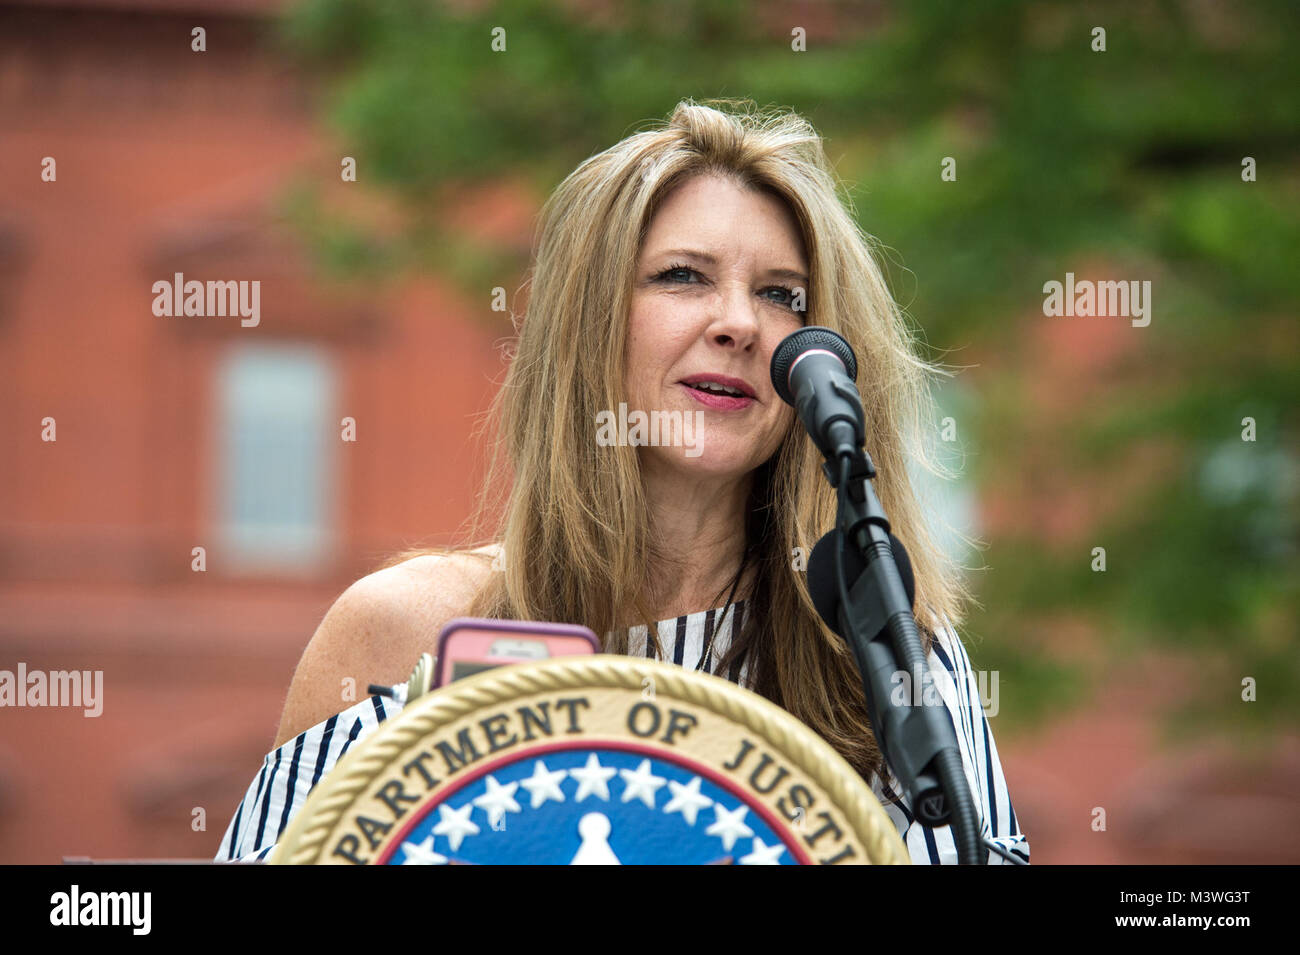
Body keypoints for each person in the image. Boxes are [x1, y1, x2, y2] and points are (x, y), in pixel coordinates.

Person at [216, 98, 1028, 865]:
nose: (740, 323)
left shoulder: (883, 651)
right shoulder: (400, 635)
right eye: (683, 276)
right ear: (591, 324)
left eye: (782, 295)